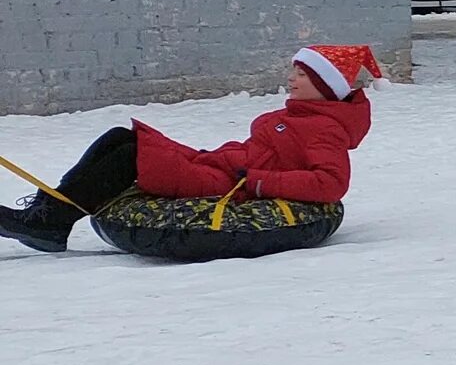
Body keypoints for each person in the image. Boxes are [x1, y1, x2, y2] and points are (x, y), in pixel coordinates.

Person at [2, 46, 379, 253]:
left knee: (131, 156)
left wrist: (261, 182)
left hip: (230, 185)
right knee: (120, 136)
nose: (290, 78)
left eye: (301, 74)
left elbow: (330, 184)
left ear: (324, 86)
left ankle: (50, 223)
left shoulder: (324, 129)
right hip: (220, 164)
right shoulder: (301, 115)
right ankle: (47, 210)